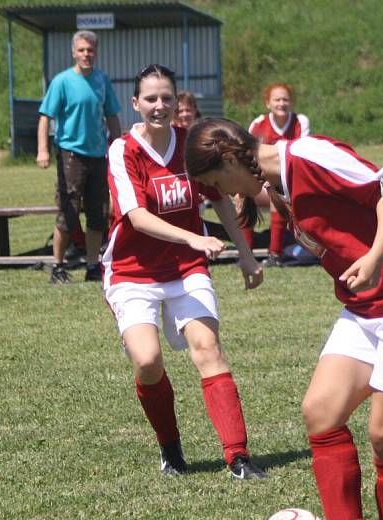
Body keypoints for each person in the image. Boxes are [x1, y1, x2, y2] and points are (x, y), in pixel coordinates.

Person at [184, 118, 383, 520]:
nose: (223, 191)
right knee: (320, 412)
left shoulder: (310, 156)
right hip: (368, 309)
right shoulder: (277, 184)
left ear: (230, 158)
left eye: (217, 181)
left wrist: (376, 257)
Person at [104, 64, 266, 480]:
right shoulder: (123, 150)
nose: (159, 106)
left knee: (208, 348)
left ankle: (239, 456)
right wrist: (193, 238)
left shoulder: (191, 147)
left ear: (177, 102)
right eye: (151, 99)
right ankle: (170, 447)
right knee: (148, 360)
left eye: (166, 98)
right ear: (136, 103)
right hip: (132, 269)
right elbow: (136, 217)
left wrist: (246, 254)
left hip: (186, 268)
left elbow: (223, 200)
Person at [37, 30, 122, 283]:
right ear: (74, 52)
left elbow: (112, 116)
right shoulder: (62, 81)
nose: (86, 54)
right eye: (82, 50)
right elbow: (45, 118)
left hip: (98, 155)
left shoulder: (102, 80)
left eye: (91, 50)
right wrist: (43, 150)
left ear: (95, 52)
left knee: (99, 212)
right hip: (70, 154)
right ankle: (58, 266)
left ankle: (93, 266)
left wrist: (117, 147)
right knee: (68, 211)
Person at [247, 82, 310, 265]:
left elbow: (302, 157)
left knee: (279, 196)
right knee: (243, 196)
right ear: (268, 103)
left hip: (289, 184)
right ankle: (246, 252)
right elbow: (248, 157)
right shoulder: (259, 124)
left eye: (285, 99)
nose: (281, 103)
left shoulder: (300, 121)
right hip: (263, 181)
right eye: (277, 100)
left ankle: (275, 254)